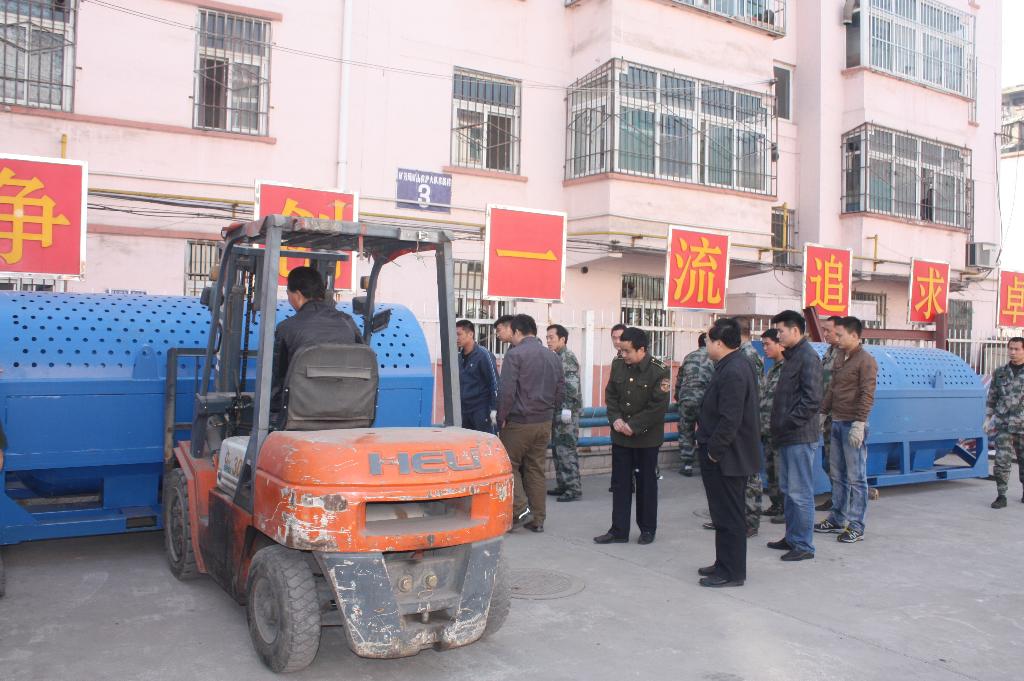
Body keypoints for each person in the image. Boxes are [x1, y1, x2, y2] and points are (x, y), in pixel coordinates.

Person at [695, 318, 760, 587]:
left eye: (709, 341)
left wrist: (714, 451)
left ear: (719, 343)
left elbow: (730, 418)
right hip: (724, 455)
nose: (707, 346)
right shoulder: (730, 364)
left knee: (730, 516)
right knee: (721, 514)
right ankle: (723, 563)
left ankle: (732, 572)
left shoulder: (734, 369)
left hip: (727, 457)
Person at [594, 328, 670, 545]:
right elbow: (611, 395)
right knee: (620, 485)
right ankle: (619, 530)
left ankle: (647, 529)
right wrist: (616, 419)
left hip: (646, 439)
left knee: (646, 485)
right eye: (621, 350)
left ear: (641, 350)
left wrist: (633, 426)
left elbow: (658, 406)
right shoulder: (618, 364)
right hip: (621, 437)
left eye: (627, 351)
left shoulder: (659, 370)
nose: (623, 355)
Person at [496, 314, 565, 533]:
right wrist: (550, 413)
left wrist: (501, 418)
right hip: (544, 421)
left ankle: (521, 510)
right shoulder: (552, 356)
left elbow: (507, 392)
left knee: (508, 466)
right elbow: (560, 390)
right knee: (536, 468)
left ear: (517, 332)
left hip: (519, 422)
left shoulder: (515, 355)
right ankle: (538, 519)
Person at [814, 317, 877, 543]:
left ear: (854, 336)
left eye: (840, 335)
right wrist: (823, 413)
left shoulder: (866, 361)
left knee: (856, 478)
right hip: (837, 421)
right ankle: (837, 518)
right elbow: (832, 388)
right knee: (837, 474)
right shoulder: (840, 356)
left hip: (853, 424)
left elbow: (867, 394)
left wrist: (859, 424)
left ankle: (857, 525)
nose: (837, 339)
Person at [766, 310, 822, 562]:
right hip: (787, 436)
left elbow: (812, 400)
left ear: (795, 330)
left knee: (800, 493)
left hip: (799, 436)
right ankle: (792, 537)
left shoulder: (808, 357)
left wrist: (787, 423)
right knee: (789, 490)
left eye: (781, 331)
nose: (778, 335)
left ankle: (804, 545)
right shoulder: (792, 357)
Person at [271, 266, 362, 419]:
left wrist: (273, 415)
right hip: (347, 411)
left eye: (288, 293)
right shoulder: (348, 322)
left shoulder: (286, 328)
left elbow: (279, 379)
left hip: (302, 414)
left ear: (297, 295)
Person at [986, 336, 1024, 509]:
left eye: (1017, 349)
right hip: (1004, 425)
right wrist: (988, 418)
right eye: (1010, 348)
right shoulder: (1000, 372)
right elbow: (992, 397)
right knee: (1001, 461)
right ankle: (1001, 495)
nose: (1012, 352)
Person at [546, 324, 583, 502]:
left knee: (566, 449)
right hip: (558, 411)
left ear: (562, 339)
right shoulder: (557, 357)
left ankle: (573, 488)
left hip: (567, 412)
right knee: (558, 449)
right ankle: (563, 484)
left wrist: (567, 408)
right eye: (547, 337)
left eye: (551, 337)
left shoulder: (568, 357)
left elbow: (571, 385)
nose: (548, 341)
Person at [739, 320, 765, 535]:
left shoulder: (747, 356)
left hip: (748, 421)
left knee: (750, 475)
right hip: (744, 420)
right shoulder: (744, 355)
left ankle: (750, 520)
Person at [816, 315, 844, 512]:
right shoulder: (829, 352)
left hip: (840, 416)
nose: (824, 334)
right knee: (829, 461)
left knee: (838, 462)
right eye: (824, 330)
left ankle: (842, 502)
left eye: (828, 330)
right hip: (827, 415)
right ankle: (836, 497)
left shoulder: (845, 353)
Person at [676, 333, 713, 477]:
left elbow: (679, 380)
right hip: (705, 400)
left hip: (687, 398)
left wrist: (679, 396)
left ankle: (687, 464)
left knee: (686, 429)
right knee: (707, 431)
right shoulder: (714, 357)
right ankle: (707, 463)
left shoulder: (689, 357)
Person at [759, 329, 786, 521]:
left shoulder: (788, 369)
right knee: (771, 470)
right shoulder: (773, 369)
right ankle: (776, 504)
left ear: (780, 344)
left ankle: (785, 508)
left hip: (780, 430)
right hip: (767, 429)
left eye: (767, 344)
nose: (764, 348)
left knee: (782, 471)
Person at [456, 320, 499, 434]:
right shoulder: (459, 358)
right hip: (464, 411)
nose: (456, 338)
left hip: (481, 410)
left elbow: (494, 382)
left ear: (470, 334)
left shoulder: (483, 355)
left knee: (485, 442)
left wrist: (494, 409)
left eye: (459, 334)